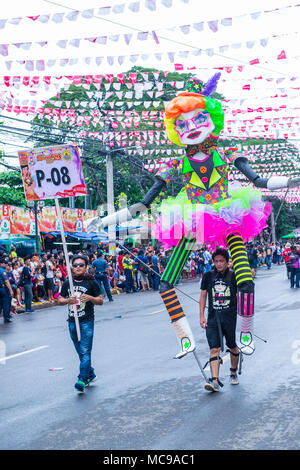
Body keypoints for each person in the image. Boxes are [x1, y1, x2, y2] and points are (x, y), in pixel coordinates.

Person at [58, 254, 103, 392]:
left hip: (86, 321)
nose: (78, 268)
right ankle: (90, 373)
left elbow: (100, 301)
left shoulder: (92, 282)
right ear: (71, 267)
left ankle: (82, 379)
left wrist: (90, 298)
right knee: (80, 352)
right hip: (72, 322)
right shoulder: (68, 283)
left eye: (81, 265)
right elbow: (59, 300)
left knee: (85, 350)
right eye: (75, 265)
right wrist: (67, 300)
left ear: (86, 267)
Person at [200, 248, 240, 392]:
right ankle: (215, 380)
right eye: (216, 261)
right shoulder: (208, 276)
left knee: (232, 346)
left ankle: (233, 372)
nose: (218, 264)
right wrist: (201, 316)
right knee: (214, 348)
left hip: (229, 318)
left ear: (227, 261)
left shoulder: (233, 276)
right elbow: (203, 295)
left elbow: (244, 292)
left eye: (221, 261)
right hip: (213, 318)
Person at [0, 258, 14, 323]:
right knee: (6, 303)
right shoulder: (3, 270)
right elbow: (6, 281)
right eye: (5, 263)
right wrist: (11, 290)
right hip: (3, 289)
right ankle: (6, 317)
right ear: (2, 263)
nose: (6, 265)